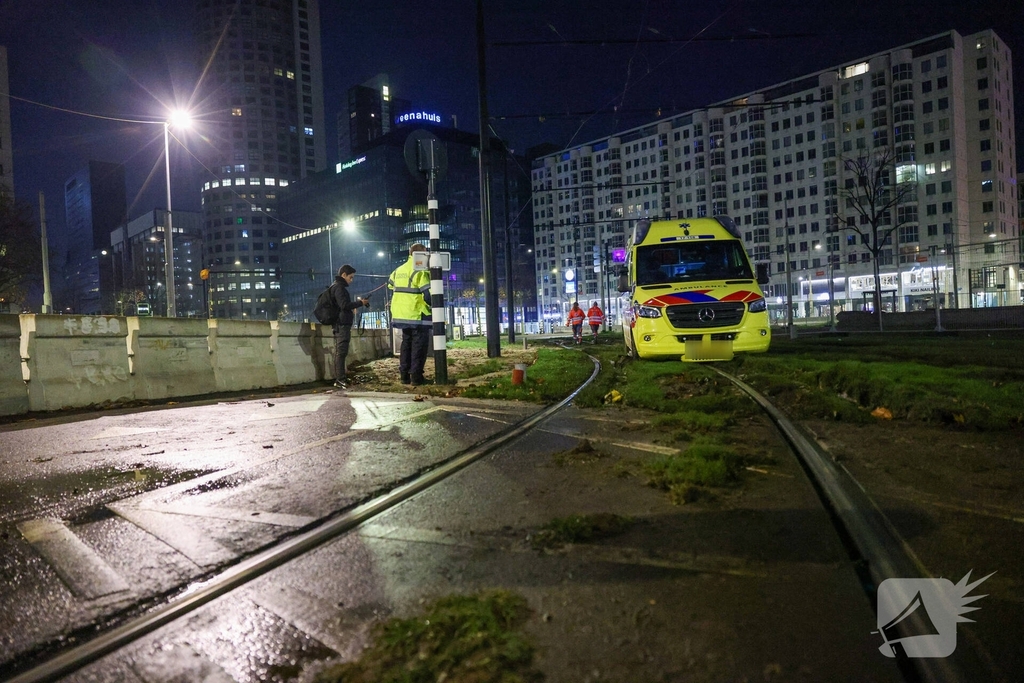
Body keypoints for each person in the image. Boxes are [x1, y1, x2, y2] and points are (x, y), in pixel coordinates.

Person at [388, 243, 432, 385]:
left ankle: (404, 376)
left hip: (401, 314)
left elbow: (390, 284)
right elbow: (428, 295)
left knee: (406, 344)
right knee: (419, 346)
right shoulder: (420, 270)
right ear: (422, 255)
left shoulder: (398, 270)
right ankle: (416, 377)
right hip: (416, 313)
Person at [331, 264, 370, 389]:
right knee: (341, 353)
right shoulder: (339, 288)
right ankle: (340, 380)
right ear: (344, 275)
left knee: (341, 352)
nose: (351, 280)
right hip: (341, 325)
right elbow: (344, 305)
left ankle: (341, 378)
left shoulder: (337, 287)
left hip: (341, 324)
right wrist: (360, 303)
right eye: (351, 277)